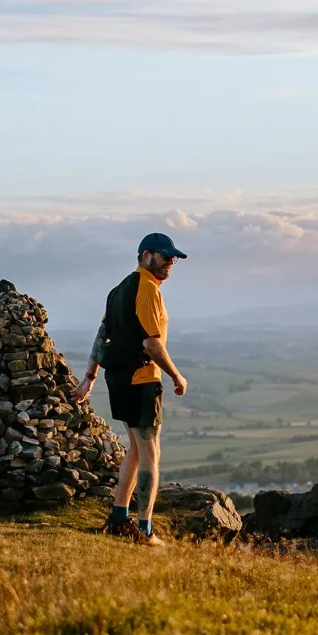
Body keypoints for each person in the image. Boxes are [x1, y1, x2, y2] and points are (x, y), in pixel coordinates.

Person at [74, 232, 188, 543]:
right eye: (165, 256)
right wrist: (177, 376)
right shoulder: (148, 288)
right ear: (146, 254)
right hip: (142, 380)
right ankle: (144, 530)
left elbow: (102, 336)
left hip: (118, 380)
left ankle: (118, 517)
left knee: (136, 450)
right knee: (151, 454)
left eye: (173, 257)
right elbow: (152, 344)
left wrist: (90, 376)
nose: (170, 262)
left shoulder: (117, 290)